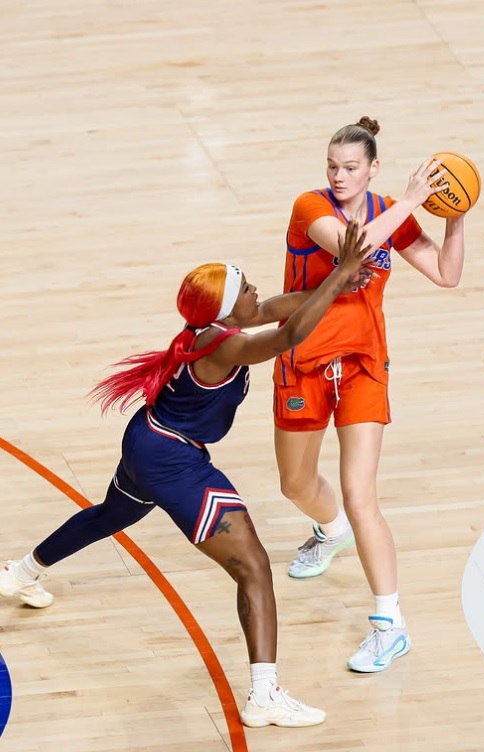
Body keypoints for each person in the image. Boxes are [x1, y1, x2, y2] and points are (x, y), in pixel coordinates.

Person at [0, 221, 371, 728]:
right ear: (226, 309)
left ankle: (20, 573)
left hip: (148, 437)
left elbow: (272, 310)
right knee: (253, 567)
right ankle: (264, 695)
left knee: (112, 514)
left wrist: (335, 285)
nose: (254, 290)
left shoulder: (211, 330)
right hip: (173, 459)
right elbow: (288, 334)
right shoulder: (226, 347)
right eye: (245, 287)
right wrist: (340, 273)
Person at [273, 116, 466, 673]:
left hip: (362, 364)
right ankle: (328, 530)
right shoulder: (310, 208)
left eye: (351, 167)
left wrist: (455, 218)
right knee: (295, 484)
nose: (339, 176)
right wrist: (410, 202)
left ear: (372, 168)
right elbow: (353, 251)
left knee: (362, 495)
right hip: (304, 361)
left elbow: (447, 274)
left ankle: (389, 624)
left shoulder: (390, 211)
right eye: (333, 166)